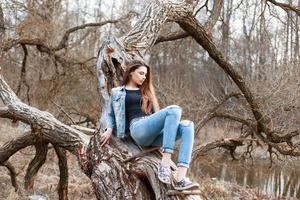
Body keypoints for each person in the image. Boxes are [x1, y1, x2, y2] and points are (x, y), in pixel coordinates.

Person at [100, 60, 199, 191]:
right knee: (174, 109)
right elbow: (111, 114)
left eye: (145, 75)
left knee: (188, 125)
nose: (144, 77)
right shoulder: (117, 92)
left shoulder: (146, 92)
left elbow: (158, 119)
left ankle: (180, 179)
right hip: (137, 129)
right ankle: (164, 165)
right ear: (130, 73)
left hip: (152, 132)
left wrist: (165, 142)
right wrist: (109, 129)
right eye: (141, 73)